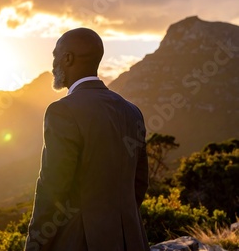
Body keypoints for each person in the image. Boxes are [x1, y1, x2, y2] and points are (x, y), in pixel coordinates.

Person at [25, 28, 150, 251]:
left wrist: (35, 244)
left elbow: (53, 187)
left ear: (68, 58)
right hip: (132, 241)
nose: (54, 63)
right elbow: (139, 183)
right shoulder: (132, 111)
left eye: (56, 56)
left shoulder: (62, 111)